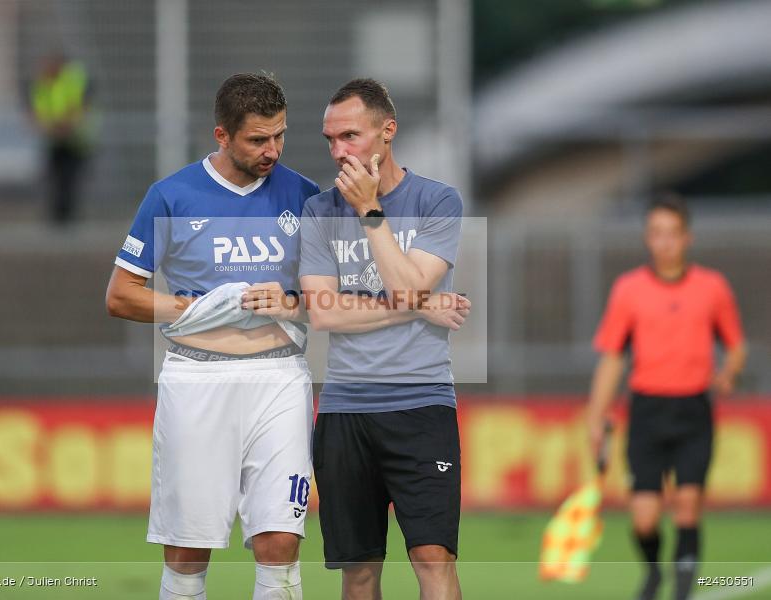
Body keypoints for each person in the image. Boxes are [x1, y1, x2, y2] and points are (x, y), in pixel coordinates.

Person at [106, 73, 319, 600]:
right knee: (187, 551)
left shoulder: (304, 196)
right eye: (258, 139)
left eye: (280, 135)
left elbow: (332, 297)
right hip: (197, 379)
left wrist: (291, 303)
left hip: (279, 379)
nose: (272, 150)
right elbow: (121, 295)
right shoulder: (171, 196)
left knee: (279, 542)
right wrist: (196, 307)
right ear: (222, 135)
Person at [299, 78, 470, 600]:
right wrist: (422, 305)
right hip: (345, 410)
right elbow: (323, 313)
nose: (338, 151)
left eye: (350, 135)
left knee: (433, 558)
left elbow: (406, 287)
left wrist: (371, 212)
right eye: (330, 139)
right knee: (358, 570)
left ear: (387, 131)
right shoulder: (319, 211)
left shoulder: (437, 200)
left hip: (421, 404)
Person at [586, 195, 747, 600]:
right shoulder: (629, 289)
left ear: (687, 237)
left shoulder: (712, 287)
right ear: (647, 237)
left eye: (672, 233)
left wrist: (728, 373)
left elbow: (736, 345)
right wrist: (595, 416)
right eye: (656, 233)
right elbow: (612, 358)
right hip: (647, 411)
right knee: (644, 518)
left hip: (693, 410)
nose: (665, 242)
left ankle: (682, 591)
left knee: (688, 505)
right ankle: (654, 572)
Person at [31, 53, 93, 225]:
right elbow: (39, 111)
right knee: (56, 180)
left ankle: (67, 218)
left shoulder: (73, 79)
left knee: (69, 180)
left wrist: (67, 125)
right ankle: (59, 217)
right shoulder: (43, 83)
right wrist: (51, 127)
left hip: (76, 141)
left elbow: (80, 105)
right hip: (55, 141)